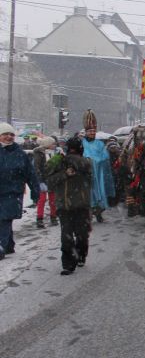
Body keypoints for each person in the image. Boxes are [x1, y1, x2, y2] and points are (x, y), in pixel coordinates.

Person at [47, 137, 92, 275]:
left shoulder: (85, 163)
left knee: (82, 235)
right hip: (64, 205)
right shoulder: (59, 163)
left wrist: (72, 161)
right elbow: (49, 181)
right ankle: (68, 263)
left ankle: (81, 255)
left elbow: (88, 174)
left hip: (81, 205)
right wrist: (64, 173)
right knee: (66, 236)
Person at [0, 123, 40, 261]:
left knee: (4, 218)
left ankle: (1, 246)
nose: (9, 137)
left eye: (11, 134)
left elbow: (31, 174)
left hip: (12, 192)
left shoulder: (20, 154)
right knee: (4, 218)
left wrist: (35, 192)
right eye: (5, 134)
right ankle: (9, 245)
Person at [81, 109, 114, 222]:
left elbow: (105, 157)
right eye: (90, 132)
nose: (92, 133)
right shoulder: (81, 143)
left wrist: (97, 160)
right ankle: (88, 214)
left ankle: (98, 213)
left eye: (93, 132)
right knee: (87, 194)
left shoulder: (100, 144)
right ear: (86, 132)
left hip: (98, 173)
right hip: (86, 174)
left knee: (99, 193)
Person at [33, 136, 59, 228]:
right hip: (43, 180)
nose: (55, 145)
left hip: (51, 180)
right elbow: (36, 168)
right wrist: (40, 181)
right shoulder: (39, 153)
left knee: (53, 200)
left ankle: (53, 217)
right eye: (53, 144)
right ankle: (39, 219)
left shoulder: (54, 153)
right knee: (42, 200)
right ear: (48, 144)